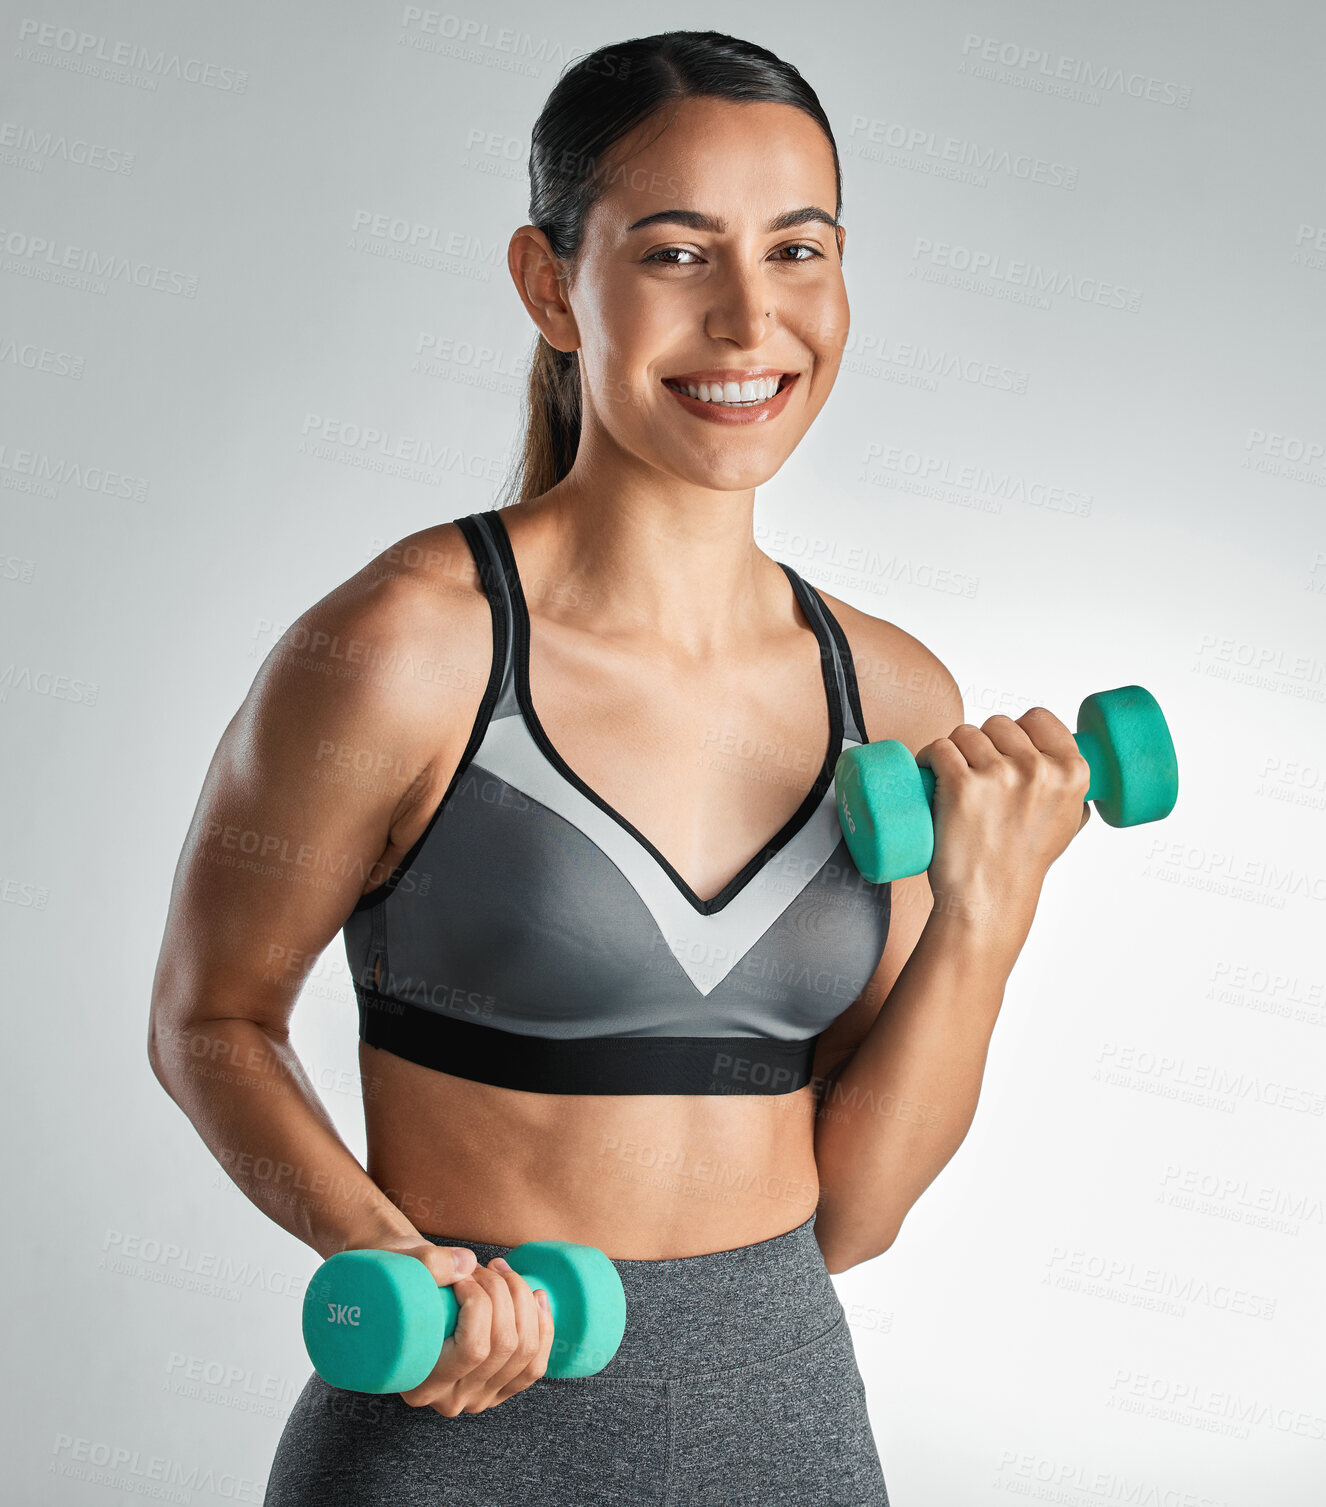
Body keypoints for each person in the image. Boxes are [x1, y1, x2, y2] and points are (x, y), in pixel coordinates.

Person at [149, 29, 1092, 1506]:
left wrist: (989, 909)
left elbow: (854, 1214)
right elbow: (209, 1020)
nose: (747, 319)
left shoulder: (891, 693)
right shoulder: (406, 649)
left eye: (798, 250)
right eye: (674, 255)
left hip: (781, 1424)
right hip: (457, 1419)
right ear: (549, 284)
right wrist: (384, 1254)